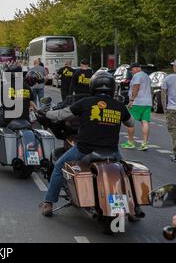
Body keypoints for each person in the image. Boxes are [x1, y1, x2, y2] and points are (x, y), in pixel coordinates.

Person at [39, 72, 135, 217]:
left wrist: (46, 113)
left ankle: (48, 203)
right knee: (126, 172)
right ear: (112, 88)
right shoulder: (118, 106)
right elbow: (131, 123)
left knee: (59, 166)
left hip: (85, 149)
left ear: (93, 87)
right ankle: (135, 207)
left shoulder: (86, 102)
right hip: (112, 152)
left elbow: (61, 115)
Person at [0, 64, 36, 157]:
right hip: (25, 119)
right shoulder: (26, 87)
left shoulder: (6, 86)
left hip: (8, 120)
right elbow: (31, 100)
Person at [121, 63, 152, 151]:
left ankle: (130, 142)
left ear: (137, 68)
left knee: (130, 122)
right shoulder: (146, 76)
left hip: (137, 102)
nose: (131, 72)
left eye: (131, 70)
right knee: (145, 122)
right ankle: (144, 143)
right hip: (147, 102)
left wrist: (131, 100)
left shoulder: (137, 76)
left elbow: (136, 87)